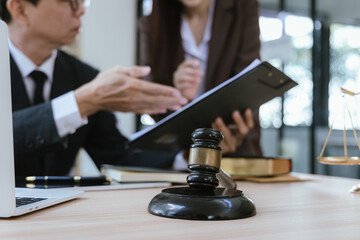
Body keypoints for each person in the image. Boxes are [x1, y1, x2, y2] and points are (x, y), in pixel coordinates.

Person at [0, 0, 188, 176]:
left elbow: (116, 157)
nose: (81, 9)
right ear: (20, 9)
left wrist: (190, 156)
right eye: (69, 1)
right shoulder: (90, 91)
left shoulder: (85, 77)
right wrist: (81, 102)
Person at [139, 0, 262, 156]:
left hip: (237, 154)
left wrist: (232, 130)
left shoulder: (243, 8)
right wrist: (175, 93)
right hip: (182, 157)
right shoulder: (151, 24)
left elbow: (248, 85)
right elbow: (152, 103)